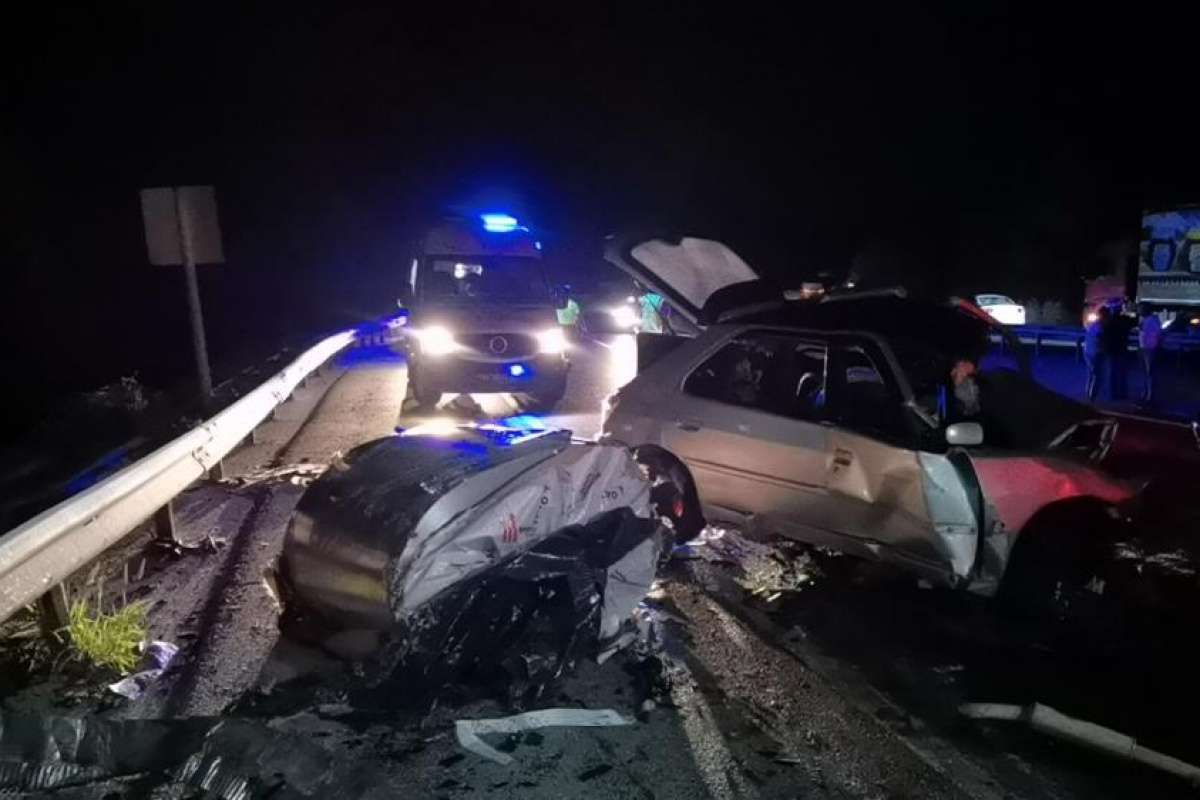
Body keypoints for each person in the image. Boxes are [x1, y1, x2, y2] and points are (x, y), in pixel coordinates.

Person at [1138, 304, 1162, 404]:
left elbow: (1158, 334)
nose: (1139, 311)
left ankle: (1150, 396)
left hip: (1150, 349)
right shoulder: (1143, 320)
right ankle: (1144, 394)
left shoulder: (1153, 320)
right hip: (1143, 348)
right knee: (1145, 373)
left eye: (1141, 309)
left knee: (1150, 373)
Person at [1083, 305, 1108, 402]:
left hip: (1087, 351)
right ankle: (1092, 395)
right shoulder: (1100, 327)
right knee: (1097, 375)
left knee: (1091, 373)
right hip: (1095, 352)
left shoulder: (1093, 324)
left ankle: (1088, 392)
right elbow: (1101, 340)